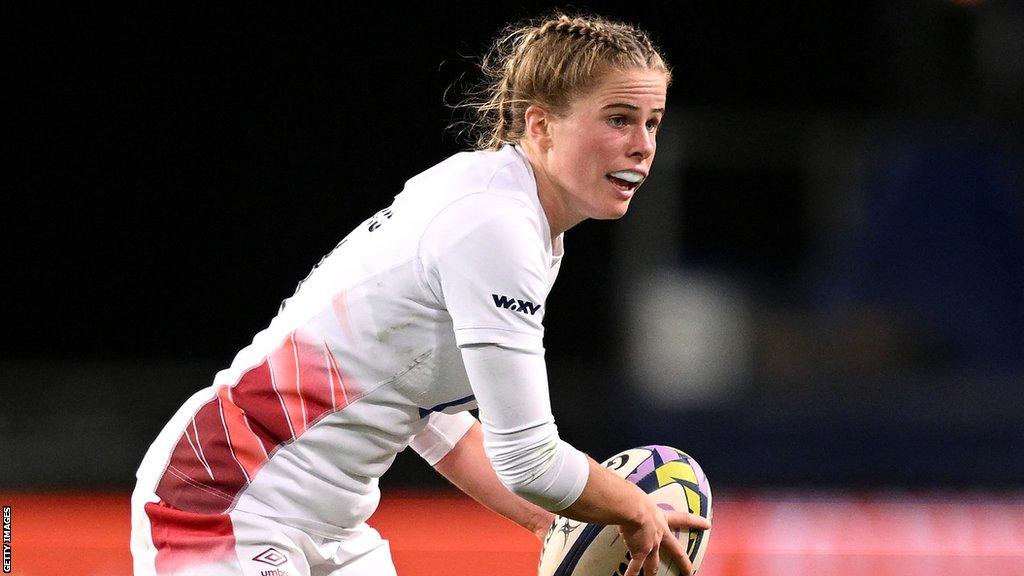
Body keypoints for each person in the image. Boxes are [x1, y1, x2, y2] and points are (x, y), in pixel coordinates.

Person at [131, 12, 710, 576]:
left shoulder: (505, 208)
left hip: (330, 527)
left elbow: (430, 416)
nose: (643, 146)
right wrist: (633, 508)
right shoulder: (496, 227)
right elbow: (528, 460)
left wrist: (549, 524)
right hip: (220, 498)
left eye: (652, 122)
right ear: (540, 126)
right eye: (618, 119)